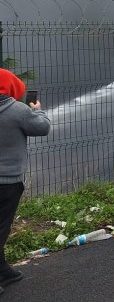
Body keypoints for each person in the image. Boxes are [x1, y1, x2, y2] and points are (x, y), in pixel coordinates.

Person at [0, 68, 50, 295]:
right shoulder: (18, 110)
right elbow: (42, 128)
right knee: (1, 227)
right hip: (8, 181)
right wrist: (38, 111)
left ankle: (3, 271)